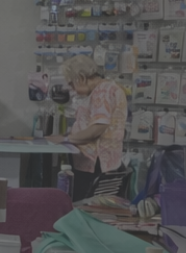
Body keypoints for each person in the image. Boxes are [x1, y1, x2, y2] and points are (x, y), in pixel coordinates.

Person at [49, 54, 129, 201]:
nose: (72, 89)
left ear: (81, 78)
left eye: (72, 84)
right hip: (107, 161)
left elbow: (97, 129)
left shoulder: (102, 92)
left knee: (84, 206)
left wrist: (65, 139)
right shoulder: (111, 88)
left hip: (94, 164)